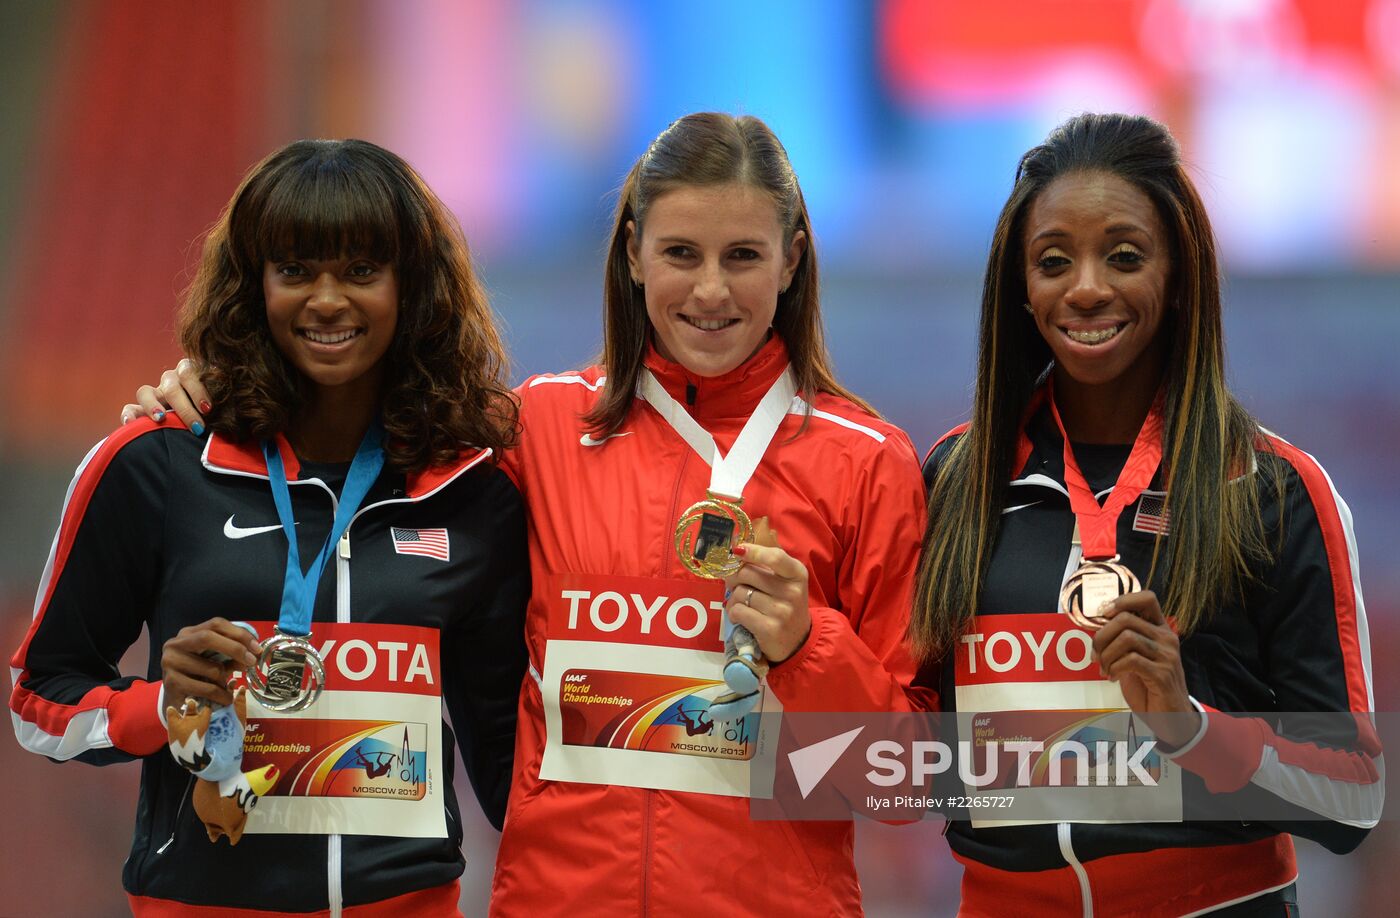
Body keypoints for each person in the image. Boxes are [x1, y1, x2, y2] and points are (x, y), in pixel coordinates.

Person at [122, 113, 934, 915]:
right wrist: (214, 389)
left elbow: (909, 786)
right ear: (633, 254)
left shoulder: (868, 462)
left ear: (792, 260)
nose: (711, 289)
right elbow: (346, 431)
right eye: (681, 253)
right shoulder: (533, 430)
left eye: (744, 256)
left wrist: (810, 649)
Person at [10, 139, 530, 915]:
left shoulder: (469, 491)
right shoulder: (156, 467)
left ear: (412, 288)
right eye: (294, 271)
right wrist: (160, 707)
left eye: (361, 271)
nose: (327, 300)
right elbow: (38, 700)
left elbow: (505, 759)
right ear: (253, 287)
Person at [913, 112, 1382, 915]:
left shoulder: (1272, 489)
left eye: (1124, 256)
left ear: (1178, 276)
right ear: (1021, 289)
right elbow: (903, 745)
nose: (1087, 286)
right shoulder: (955, 479)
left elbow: (1354, 800)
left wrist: (1188, 726)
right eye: (1053, 261)